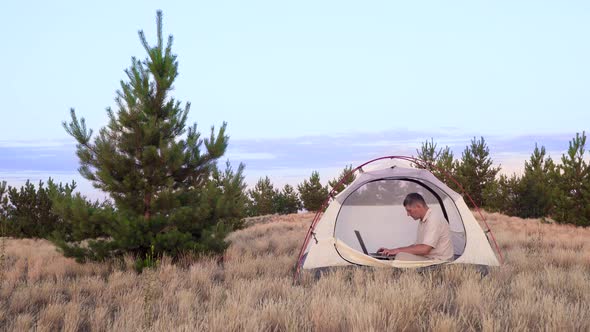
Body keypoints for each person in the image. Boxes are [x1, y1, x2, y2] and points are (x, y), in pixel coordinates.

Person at [377, 193, 454, 261]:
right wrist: (392, 250)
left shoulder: (433, 219)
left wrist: (397, 250)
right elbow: (417, 246)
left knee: (401, 257)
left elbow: (424, 249)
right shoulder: (423, 220)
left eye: (409, 210)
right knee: (398, 255)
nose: (408, 214)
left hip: (439, 260)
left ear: (419, 206)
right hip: (428, 258)